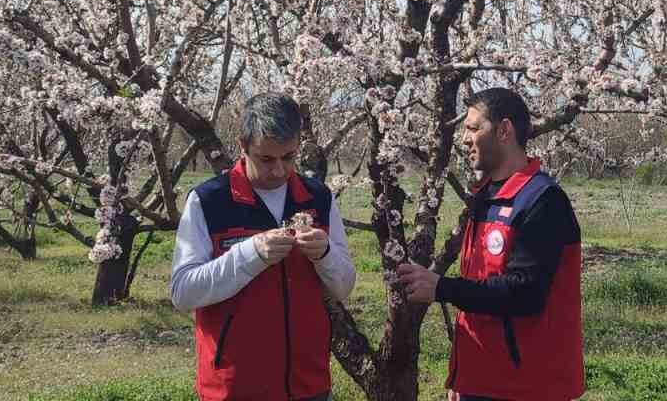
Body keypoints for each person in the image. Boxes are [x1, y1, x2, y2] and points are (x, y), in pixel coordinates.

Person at [394, 87, 585, 401]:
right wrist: (463, 375)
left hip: (526, 387)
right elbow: (479, 284)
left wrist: (442, 288)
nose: (464, 139)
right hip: (481, 380)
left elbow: (525, 293)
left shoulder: (542, 201)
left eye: (473, 128)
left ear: (504, 130)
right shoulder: (485, 196)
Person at [170, 93, 356, 401]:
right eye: (267, 159)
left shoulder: (318, 197)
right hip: (235, 387)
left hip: (308, 385)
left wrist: (325, 255)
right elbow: (183, 292)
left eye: (289, 157)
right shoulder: (209, 201)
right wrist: (251, 254)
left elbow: (344, 287)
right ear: (243, 146)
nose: (280, 170)